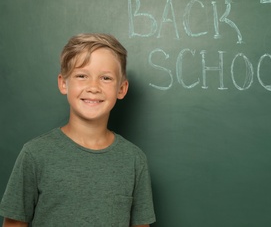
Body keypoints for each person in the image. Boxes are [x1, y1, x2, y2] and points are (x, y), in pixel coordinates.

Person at [0, 33, 156, 227]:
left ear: (122, 89)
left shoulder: (134, 159)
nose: (93, 87)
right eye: (82, 76)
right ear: (63, 83)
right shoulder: (35, 154)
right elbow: (14, 223)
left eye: (105, 78)